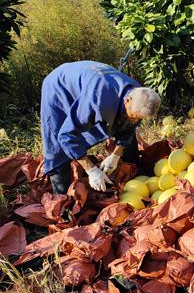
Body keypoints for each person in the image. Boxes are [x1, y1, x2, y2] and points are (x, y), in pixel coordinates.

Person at [41, 61, 161, 194]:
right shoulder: (97, 101)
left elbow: (128, 128)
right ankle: (61, 193)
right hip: (60, 87)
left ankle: (132, 168)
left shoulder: (139, 94)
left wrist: (115, 155)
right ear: (127, 100)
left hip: (94, 79)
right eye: (133, 116)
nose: (134, 120)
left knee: (127, 124)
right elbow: (66, 135)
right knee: (57, 139)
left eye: (138, 118)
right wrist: (91, 170)